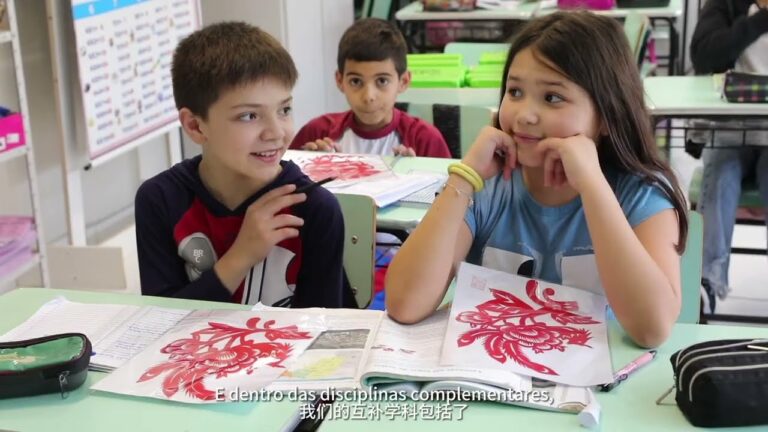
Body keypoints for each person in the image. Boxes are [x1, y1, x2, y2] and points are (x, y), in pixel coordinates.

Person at [385, 12, 689, 348]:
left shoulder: (641, 193)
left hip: (599, 386)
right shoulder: (489, 186)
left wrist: (592, 185)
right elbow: (405, 304)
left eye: (552, 98)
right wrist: (465, 176)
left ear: (606, 115)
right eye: (515, 92)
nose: (524, 115)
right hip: (496, 375)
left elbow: (652, 329)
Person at [135, 22, 355, 308]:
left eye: (284, 110)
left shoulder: (313, 210)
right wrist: (242, 256)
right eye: (250, 116)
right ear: (195, 125)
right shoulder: (160, 200)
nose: (276, 132)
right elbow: (158, 323)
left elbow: (322, 335)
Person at [689, 0, 768, 313]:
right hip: (730, 130)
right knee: (722, 173)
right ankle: (706, 281)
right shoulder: (726, 4)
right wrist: (761, 20)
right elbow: (705, 56)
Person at [289, 18, 451, 158]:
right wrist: (309, 169)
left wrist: (419, 176)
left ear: (403, 82)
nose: (368, 96)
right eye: (356, 81)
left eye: (382, 81)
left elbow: (452, 192)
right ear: (340, 81)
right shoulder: (317, 133)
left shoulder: (423, 139)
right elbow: (285, 184)